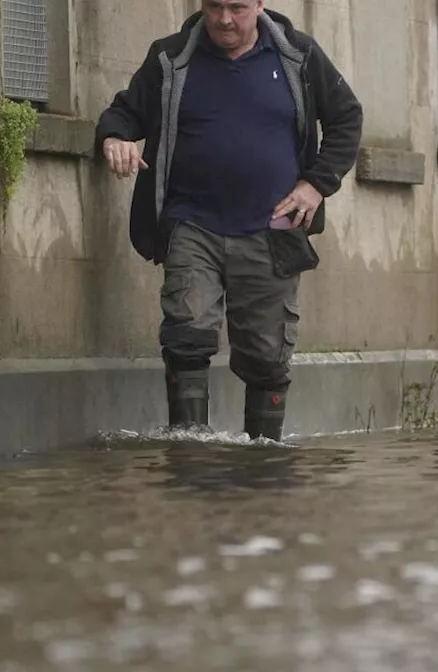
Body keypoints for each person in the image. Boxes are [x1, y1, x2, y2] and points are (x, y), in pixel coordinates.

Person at [94, 0, 363, 441]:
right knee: (186, 337)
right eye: (214, 6)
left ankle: (263, 467)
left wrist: (316, 185)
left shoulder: (299, 56)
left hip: (272, 230)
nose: (224, 19)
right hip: (191, 224)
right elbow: (124, 112)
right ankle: (188, 454)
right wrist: (115, 138)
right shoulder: (170, 57)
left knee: (267, 358)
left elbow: (347, 118)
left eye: (237, 7)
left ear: (259, 4)